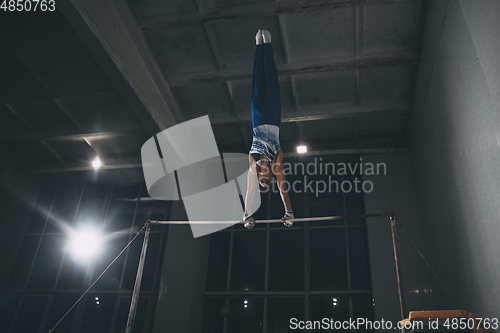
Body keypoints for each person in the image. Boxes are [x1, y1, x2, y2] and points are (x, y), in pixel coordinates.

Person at [243, 29, 294, 229]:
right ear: (271, 177)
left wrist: (246, 215)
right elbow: (283, 190)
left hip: (257, 119)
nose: (263, 179)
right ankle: (268, 45)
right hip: (273, 117)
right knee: (272, 83)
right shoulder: (276, 163)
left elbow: (250, 192)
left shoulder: (253, 164)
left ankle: (258, 46)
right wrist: (289, 212)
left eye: (261, 181)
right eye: (267, 181)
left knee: (258, 82)